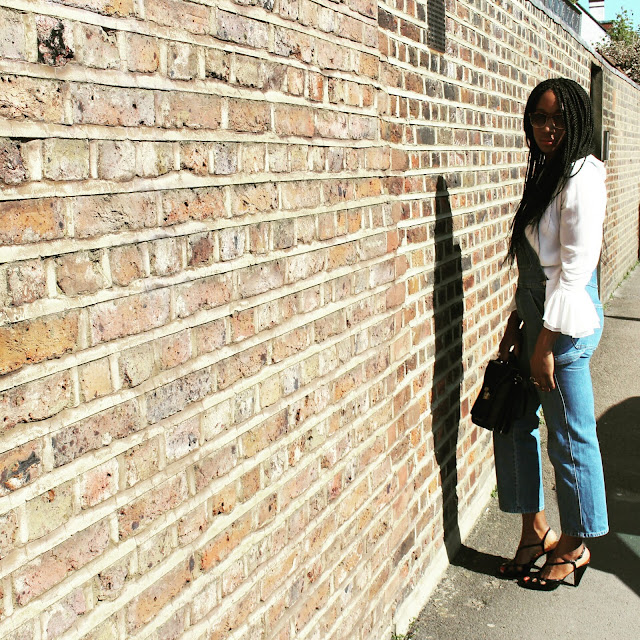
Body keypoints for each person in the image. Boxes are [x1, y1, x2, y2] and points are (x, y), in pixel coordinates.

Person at [493, 77, 607, 590]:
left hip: (565, 327)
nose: (547, 128)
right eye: (539, 117)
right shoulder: (547, 172)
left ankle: (576, 543)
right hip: (537, 317)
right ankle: (534, 532)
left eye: (558, 118)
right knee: (514, 421)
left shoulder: (581, 176)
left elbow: (574, 273)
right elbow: (537, 263)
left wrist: (544, 344)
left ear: (577, 120)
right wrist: (518, 319)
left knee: (569, 436)